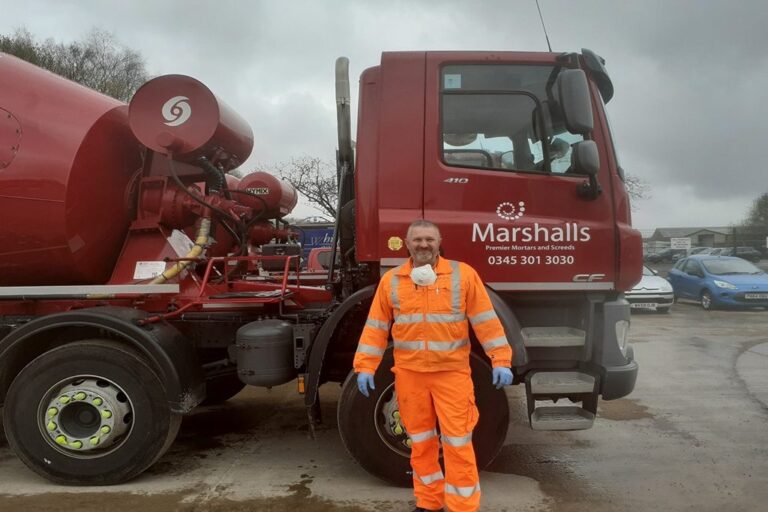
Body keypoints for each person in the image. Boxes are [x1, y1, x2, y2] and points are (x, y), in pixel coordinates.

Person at [353, 219, 513, 512]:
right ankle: (429, 502)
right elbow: (376, 327)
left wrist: (500, 359)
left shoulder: (462, 275)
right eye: (417, 240)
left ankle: (462, 506)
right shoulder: (393, 280)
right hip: (410, 376)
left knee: (458, 443)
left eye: (429, 239)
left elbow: (486, 321)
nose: (423, 245)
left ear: (439, 242)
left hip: (452, 375)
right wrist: (365, 365)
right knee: (421, 444)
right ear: (407, 243)